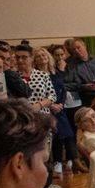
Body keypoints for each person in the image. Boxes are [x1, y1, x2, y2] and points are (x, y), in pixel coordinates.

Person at [33, 46, 77, 174]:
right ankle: (57, 161)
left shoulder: (55, 73)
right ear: (35, 60)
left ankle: (71, 159)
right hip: (46, 109)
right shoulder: (36, 75)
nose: (42, 58)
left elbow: (62, 90)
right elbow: (40, 94)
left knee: (67, 134)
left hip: (59, 108)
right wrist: (51, 105)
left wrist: (60, 104)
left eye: (44, 55)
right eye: (39, 56)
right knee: (55, 135)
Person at [12, 45, 56, 116]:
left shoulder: (42, 75)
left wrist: (39, 105)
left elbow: (52, 96)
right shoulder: (13, 76)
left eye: (24, 57)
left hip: (42, 115)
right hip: (21, 116)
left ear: (31, 58)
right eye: (18, 57)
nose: (20, 60)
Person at [64, 38, 95, 106]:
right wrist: (84, 86)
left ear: (84, 46)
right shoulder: (71, 66)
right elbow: (66, 85)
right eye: (74, 49)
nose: (76, 50)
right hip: (86, 99)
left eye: (78, 47)